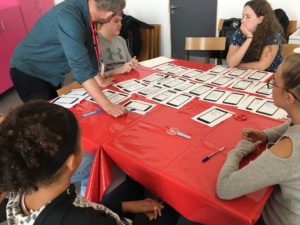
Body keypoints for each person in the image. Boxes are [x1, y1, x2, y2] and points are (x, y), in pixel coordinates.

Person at [0, 101, 165, 225]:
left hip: (102, 212)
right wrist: (143, 218)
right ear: (71, 161)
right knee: (167, 212)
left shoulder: (18, 188)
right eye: (80, 140)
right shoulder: (86, 220)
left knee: (132, 184)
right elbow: (90, 215)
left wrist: (126, 207)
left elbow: (85, 207)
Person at [217, 53, 300, 225]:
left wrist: (238, 151)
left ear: (289, 98)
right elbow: (291, 125)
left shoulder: (288, 150)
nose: (270, 85)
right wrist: (266, 135)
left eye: (274, 82)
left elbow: (225, 188)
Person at [10, 0, 127, 118]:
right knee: (42, 119)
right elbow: (81, 68)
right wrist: (108, 105)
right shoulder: (68, 17)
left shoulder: (86, 8)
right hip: (29, 70)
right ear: (108, 14)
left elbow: (89, 48)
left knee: (54, 112)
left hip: (51, 72)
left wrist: (99, 80)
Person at [226, 0, 284, 72]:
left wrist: (237, 66)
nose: (242, 20)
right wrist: (249, 38)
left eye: (248, 17)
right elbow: (231, 62)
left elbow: (262, 66)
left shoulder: (272, 34)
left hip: (271, 75)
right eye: (243, 16)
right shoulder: (240, 32)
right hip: (248, 74)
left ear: (260, 19)